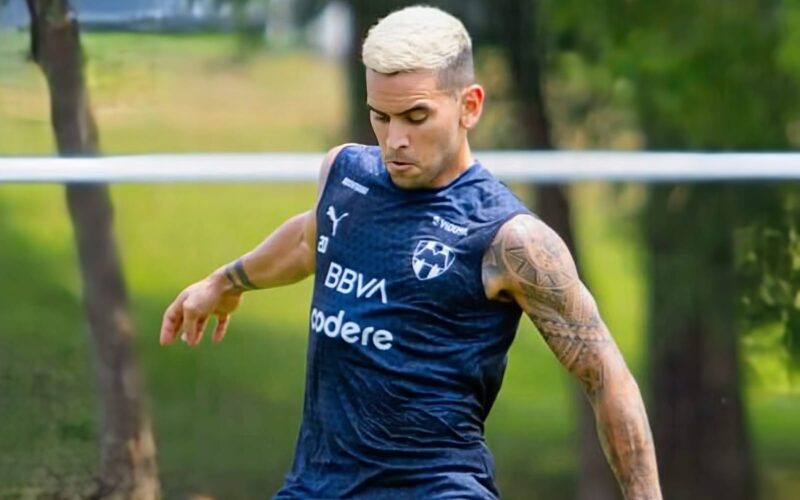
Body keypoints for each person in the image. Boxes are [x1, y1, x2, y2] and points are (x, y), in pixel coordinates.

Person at [160, 6, 661, 499]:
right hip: (316, 486)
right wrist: (225, 282)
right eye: (380, 116)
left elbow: (605, 374)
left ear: (469, 106)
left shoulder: (509, 239)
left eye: (416, 116)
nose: (395, 140)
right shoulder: (346, 175)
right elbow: (309, 239)